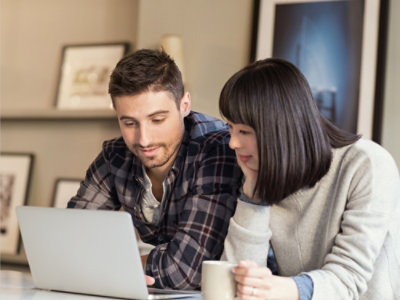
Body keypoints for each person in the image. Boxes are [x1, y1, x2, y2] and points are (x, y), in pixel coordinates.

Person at [219, 57, 400, 299]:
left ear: (280, 129)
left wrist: (278, 287)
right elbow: (238, 280)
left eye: (244, 131)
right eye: (230, 128)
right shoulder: (262, 171)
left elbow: (349, 279)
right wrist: (253, 194)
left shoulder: (367, 164)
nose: (233, 143)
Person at [67, 49, 242, 290]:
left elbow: (184, 270)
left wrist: (108, 267)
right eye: (129, 123)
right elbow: (69, 241)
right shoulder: (115, 155)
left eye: (157, 120)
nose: (144, 139)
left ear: (185, 104)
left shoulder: (216, 149)